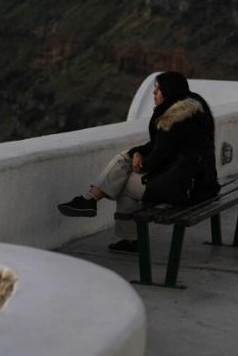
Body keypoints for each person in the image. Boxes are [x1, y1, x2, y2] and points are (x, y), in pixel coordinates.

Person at [57, 72, 220, 253]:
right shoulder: (193, 106)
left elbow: (160, 156)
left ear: (170, 91)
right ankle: (91, 200)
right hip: (202, 181)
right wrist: (137, 152)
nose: (154, 94)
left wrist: (141, 163)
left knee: (125, 185)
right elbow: (162, 146)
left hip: (188, 188)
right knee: (125, 159)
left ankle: (128, 238)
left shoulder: (173, 117)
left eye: (159, 90)